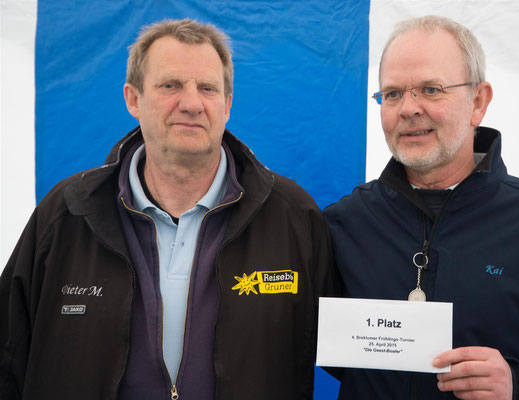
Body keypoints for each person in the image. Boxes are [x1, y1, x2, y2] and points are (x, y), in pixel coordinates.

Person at [0, 18, 337, 399]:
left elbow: (350, 346)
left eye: (207, 88)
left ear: (227, 105)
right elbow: (8, 355)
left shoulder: (292, 216)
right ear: (133, 99)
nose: (191, 103)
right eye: (170, 85)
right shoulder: (67, 213)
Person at [324, 15, 519, 399]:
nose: (408, 108)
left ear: (478, 101)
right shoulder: (342, 225)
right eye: (391, 93)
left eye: (431, 89)